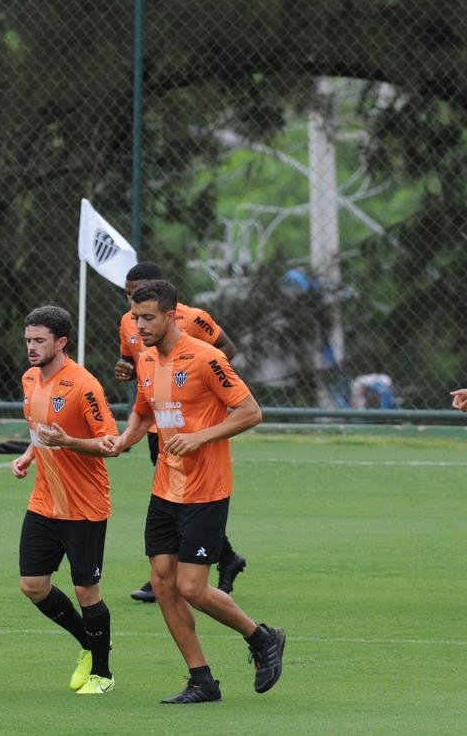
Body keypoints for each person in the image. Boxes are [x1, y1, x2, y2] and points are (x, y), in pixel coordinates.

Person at [102, 282, 285, 703]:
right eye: (135, 317)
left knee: (192, 588)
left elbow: (250, 412)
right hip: (164, 488)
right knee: (162, 583)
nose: (139, 326)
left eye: (148, 318)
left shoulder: (206, 358)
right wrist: (124, 439)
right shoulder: (146, 359)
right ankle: (202, 680)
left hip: (206, 489)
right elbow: (144, 412)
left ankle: (262, 637)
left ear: (171, 316)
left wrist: (200, 437)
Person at [115, 262, 247, 602]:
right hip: (160, 424)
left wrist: (201, 400)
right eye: (129, 298)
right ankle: (172, 572)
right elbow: (133, 364)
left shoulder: (194, 322)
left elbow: (226, 352)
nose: (137, 319)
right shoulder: (130, 324)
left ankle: (201, 569)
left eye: (139, 298)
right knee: (175, 498)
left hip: (194, 428)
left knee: (193, 499)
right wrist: (128, 372)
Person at [10, 306, 118, 695]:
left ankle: (102, 674)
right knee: (33, 585)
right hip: (44, 501)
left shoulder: (84, 385)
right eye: (28, 340)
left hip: (85, 505)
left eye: (39, 341)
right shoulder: (29, 379)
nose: (31, 347)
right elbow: (40, 431)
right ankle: (89, 643)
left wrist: (69, 442)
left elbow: (111, 444)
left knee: (86, 592)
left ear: (61, 342)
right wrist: (28, 455)